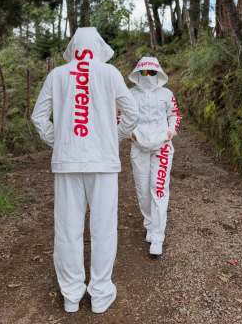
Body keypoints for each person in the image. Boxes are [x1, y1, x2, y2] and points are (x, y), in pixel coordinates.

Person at [31, 27, 138, 314]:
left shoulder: (57, 75)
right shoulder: (110, 73)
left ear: (73, 48)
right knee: (103, 230)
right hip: (103, 163)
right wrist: (112, 137)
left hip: (67, 162)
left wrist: (59, 142)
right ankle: (100, 295)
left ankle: (71, 296)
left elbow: (38, 117)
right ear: (99, 47)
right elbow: (132, 114)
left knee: (67, 230)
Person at [128, 56, 182, 256]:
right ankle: (150, 224)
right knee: (143, 191)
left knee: (158, 190)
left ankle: (158, 236)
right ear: (138, 73)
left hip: (163, 148)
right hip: (138, 147)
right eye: (144, 72)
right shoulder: (130, 94)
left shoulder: (167, 94)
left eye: (152, 72)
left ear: (158, 72)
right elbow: (120, 117)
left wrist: (170, 131)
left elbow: (175, 114)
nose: (148, 75)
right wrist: (130, 133)